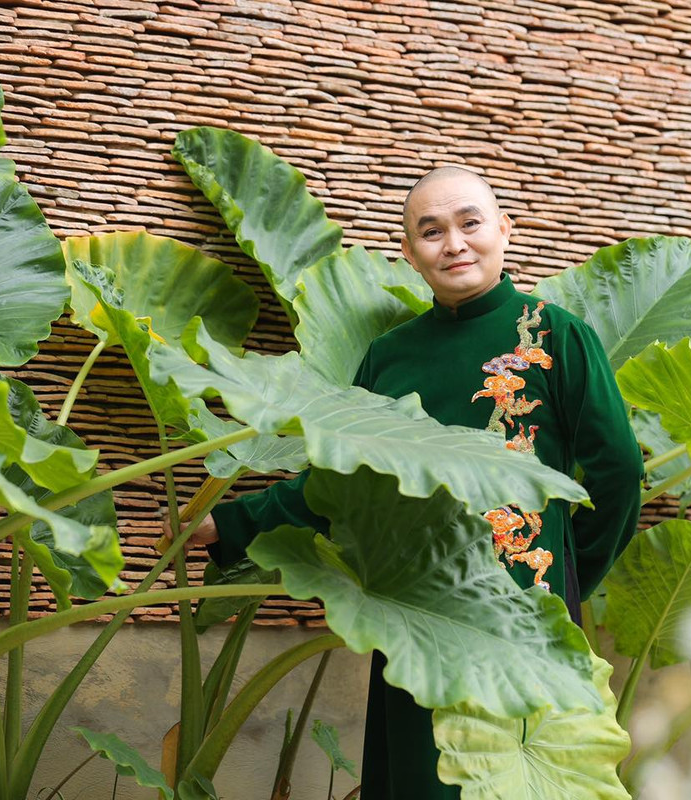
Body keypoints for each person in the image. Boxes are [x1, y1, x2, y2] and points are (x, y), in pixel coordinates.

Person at [169, 166, 644, 798]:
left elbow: (619, 475)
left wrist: (564, 575)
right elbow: (341, 481)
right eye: (431, 231)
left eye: (470, 223)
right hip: (416, 607)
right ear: (410, 254)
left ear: (503, 230)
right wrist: (225, 524)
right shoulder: (388, 357)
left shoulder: (557, 337)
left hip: (520, 617)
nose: (454, 243)